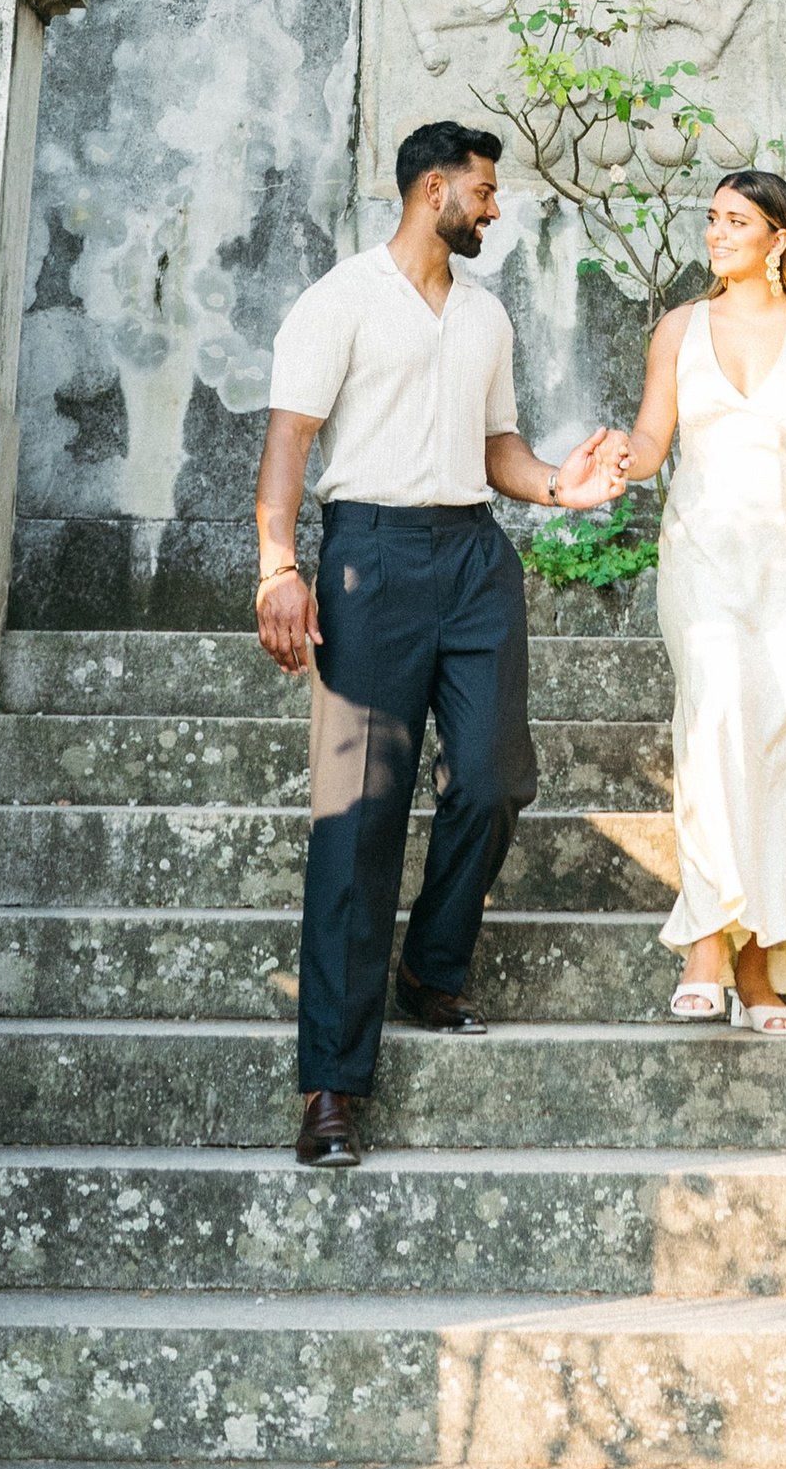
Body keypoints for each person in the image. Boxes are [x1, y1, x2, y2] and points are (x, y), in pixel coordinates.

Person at [255, 120, 627, 1167]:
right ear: (433, 190)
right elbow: (289, 438)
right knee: (358, 814)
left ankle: (431, 962)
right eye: (485, 190)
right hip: (369, 553)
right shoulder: (339, 300)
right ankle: (331, 1082)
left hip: (472, 555)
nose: (495, 207)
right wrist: (278, 566)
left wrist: (560, 485)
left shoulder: (485, 315)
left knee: (497, 777)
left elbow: (496, 444)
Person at [614, 166, 786, 1028]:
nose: (717, 234)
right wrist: (616, 459)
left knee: (783, 755)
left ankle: (757, 969)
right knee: (716, 721)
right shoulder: (679, 328)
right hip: (704, 562)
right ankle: (705, 945)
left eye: (735, 222)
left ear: (778, 239)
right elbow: (653, 440)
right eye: (714, 219)